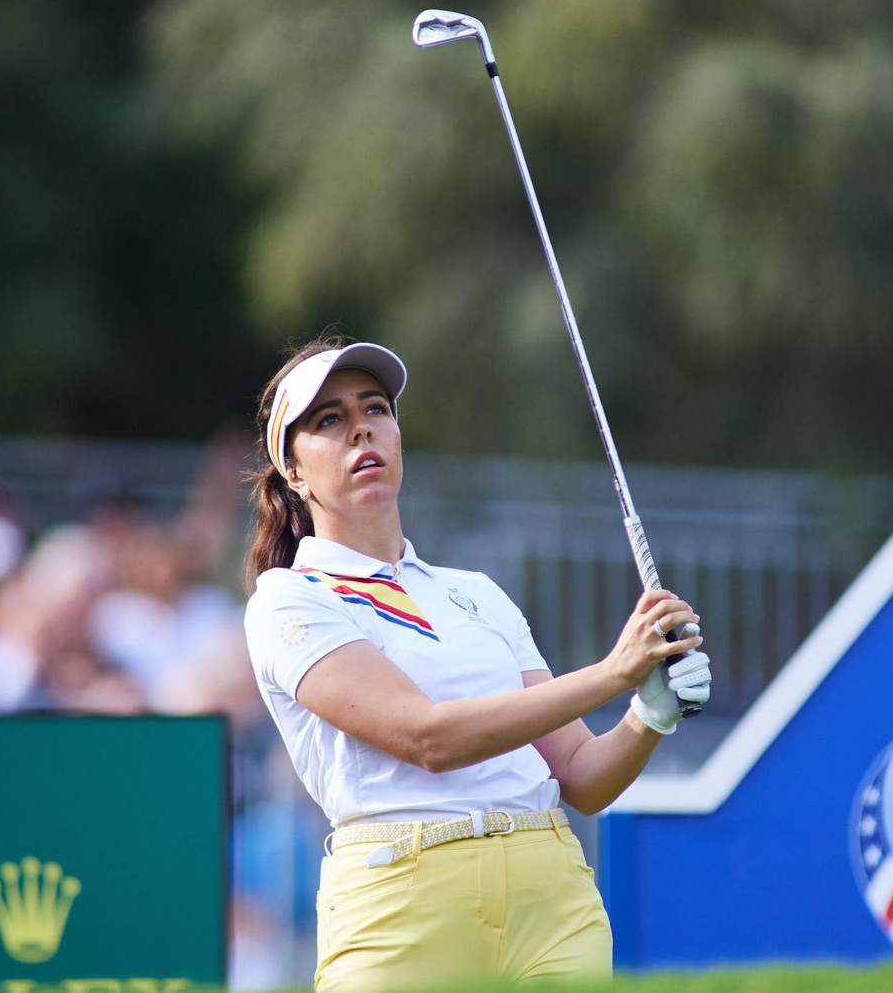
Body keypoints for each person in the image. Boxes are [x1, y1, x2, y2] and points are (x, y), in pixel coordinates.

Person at [241, 333, 712, 991]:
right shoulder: (288, 600)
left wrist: (648, 715)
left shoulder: (476, 593)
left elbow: (580, 775)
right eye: (329, 421)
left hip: (551, 897)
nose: (361, 432)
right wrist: (613, 674)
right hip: (401, 905)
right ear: (294, 472)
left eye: (375, 410)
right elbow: (426, 737)